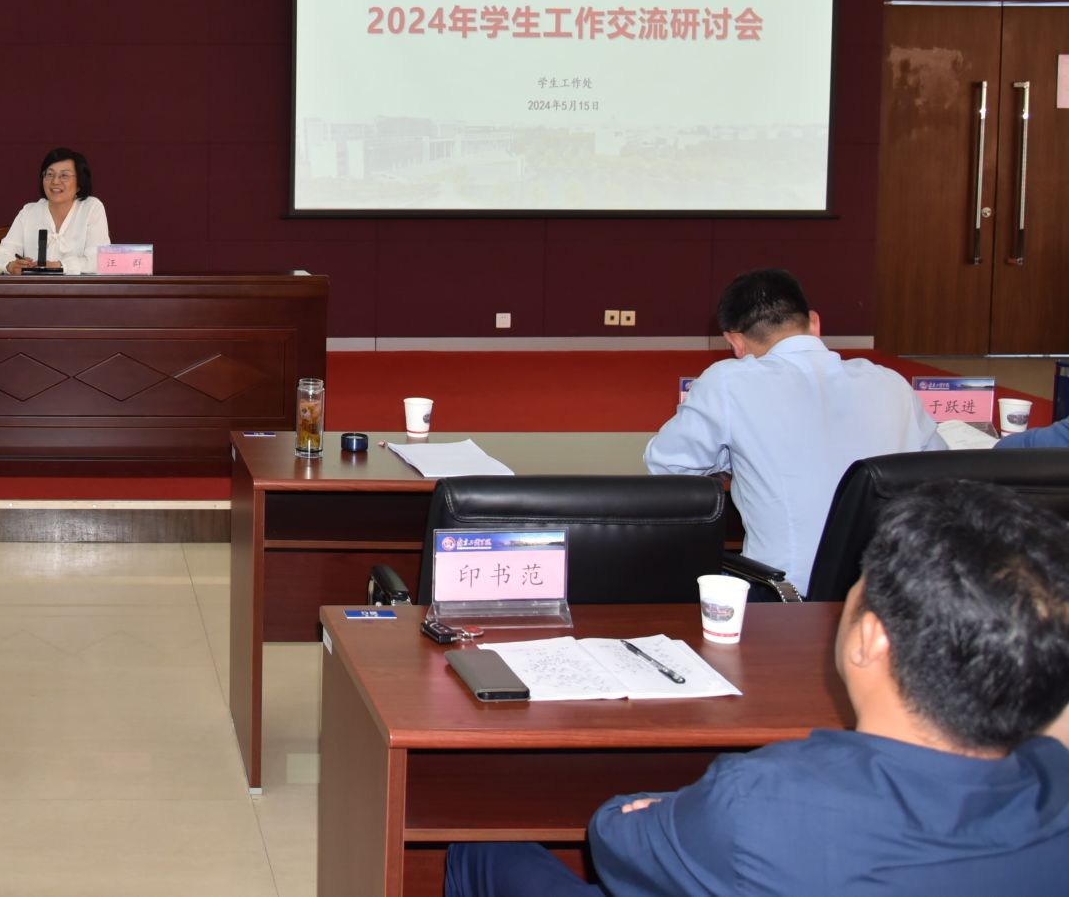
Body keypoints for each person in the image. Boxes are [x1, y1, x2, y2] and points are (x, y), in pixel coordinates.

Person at [444, 479, 1069, 896]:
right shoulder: (1055, 785)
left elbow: (615, 842)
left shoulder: (760, 800)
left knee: (481, 849)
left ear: (872, 639)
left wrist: (647, 805)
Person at [645, 268, 942, 593]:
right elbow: (941, 472)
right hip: (894, 590)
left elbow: (666, 466)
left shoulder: (728, 382)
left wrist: (730, 462)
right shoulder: (891, 383)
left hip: (786, 595)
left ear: (735, 342)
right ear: (814, 323)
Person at [0, 146, 112, 275]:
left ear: (79, 183)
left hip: (77, 288)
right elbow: (0, 257)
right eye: (50, 174)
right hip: (34, 287)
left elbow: (100, 261)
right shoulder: (29, 212)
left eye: (64, 175)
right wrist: (10, 265)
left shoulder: (91, 208)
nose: (55, 181)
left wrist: (60, 266)